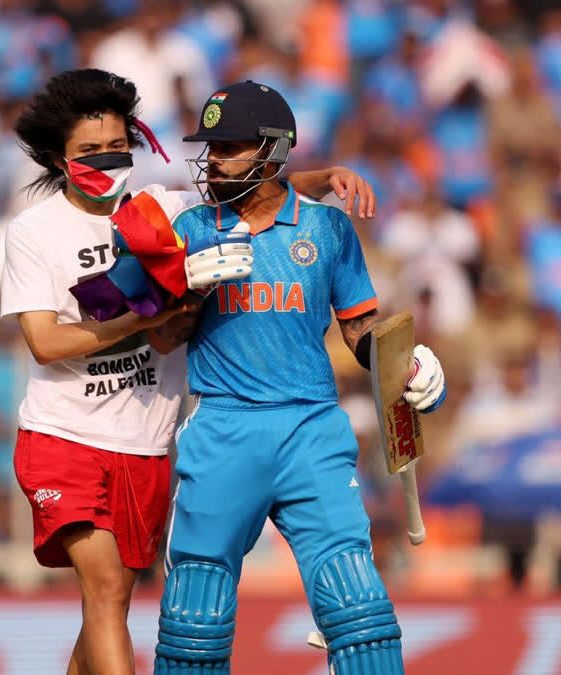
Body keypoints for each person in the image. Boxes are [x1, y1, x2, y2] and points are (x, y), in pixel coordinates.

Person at [0, 69, 375, 675]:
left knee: (108, 606)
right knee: (106, 592)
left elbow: (255, 188)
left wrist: (325, 178)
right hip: (63, 434)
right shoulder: (34, 231)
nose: (106, 159)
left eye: (116, 145)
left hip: (145, 439)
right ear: (56, 157)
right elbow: (44, 342)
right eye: (88, 151)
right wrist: (153, 314)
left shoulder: (164, 211)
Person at [152, 81, 447, 674]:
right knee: (195, 620)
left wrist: (408, 362)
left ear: (271, 150)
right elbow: (160, 339)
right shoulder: (188, 229)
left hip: (311, 427)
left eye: (227, 147)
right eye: (209, 147)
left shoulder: (327, 230)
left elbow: (360, 334)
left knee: (359, 611)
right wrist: (187, 296)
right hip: (222, 425)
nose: (211, 160)